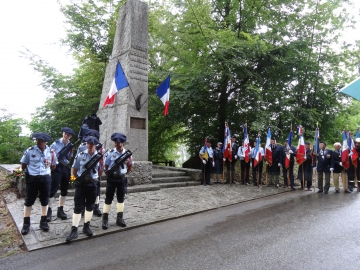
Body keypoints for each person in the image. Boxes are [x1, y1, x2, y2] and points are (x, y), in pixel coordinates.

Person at [66, 136, 103, 242]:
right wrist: (80, 179)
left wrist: (94, 177)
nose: (90, 146)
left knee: (90, 206)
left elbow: (100, 171)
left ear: (95, 145)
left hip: (92, 184)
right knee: (78, 206)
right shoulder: (80, 155)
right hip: (81, 185)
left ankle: (86, 226)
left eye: (92, 144)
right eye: (88, 144)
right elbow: (75, 170)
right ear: (86, 144)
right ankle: (74, 229)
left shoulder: (99, 157)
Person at [20, 132, 56, 235]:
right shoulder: (30, 151)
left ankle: (43, 221)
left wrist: (46, 171)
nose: (38, 142)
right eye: (37, 140)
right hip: (33, 179)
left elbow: (53, 166)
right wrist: (30, 173)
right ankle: (26, 223)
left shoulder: (51, 152)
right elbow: (24, 165)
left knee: (45, 200)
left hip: (45, 179)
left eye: (40, 140)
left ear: (45, 142)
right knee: (29, 201)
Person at [102, 133, 133, 230]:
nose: (116, 144)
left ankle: (120, 218)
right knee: (108, 199)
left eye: (118, 142)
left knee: (121, 199)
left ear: (122, 143)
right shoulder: (110, 153)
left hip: (122, 179)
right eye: (115, 142)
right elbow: (106, 167)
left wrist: (125, 173)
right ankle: (105, 218)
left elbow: (130, 165)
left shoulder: (127, 154)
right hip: (112, 179)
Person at [47, 127, 76, 222]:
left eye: (69, 135)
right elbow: (49, 156)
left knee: (64, 189)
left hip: (66, 168)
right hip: (57, 167)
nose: (67, 135)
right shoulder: (55, 144)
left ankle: (61, 210)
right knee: (53, 189)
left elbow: (70, 157)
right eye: (65, 133)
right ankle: (49, 210)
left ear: (71, 136)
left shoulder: (71, 145)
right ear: (63, 133)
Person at [76, 129, 103, 217]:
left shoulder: (101, 147)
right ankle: (83, 208)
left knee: (97, 191)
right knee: (83, 193)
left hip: (95, 173)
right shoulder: (82, 147)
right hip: (83, 173)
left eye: (94, 137)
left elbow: (102, 161)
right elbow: (77, 160)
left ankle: (96, 207)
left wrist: (99, 174)